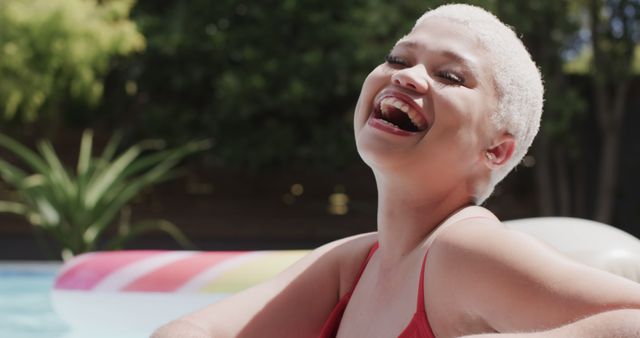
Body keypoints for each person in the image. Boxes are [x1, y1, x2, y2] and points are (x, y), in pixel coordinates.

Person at [153, 4, 640, 337]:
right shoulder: (353, 263)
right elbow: (195, 331)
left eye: (450, 75)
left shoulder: (461, 251)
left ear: (496, 150)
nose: (406, 75)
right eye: (398, 58)